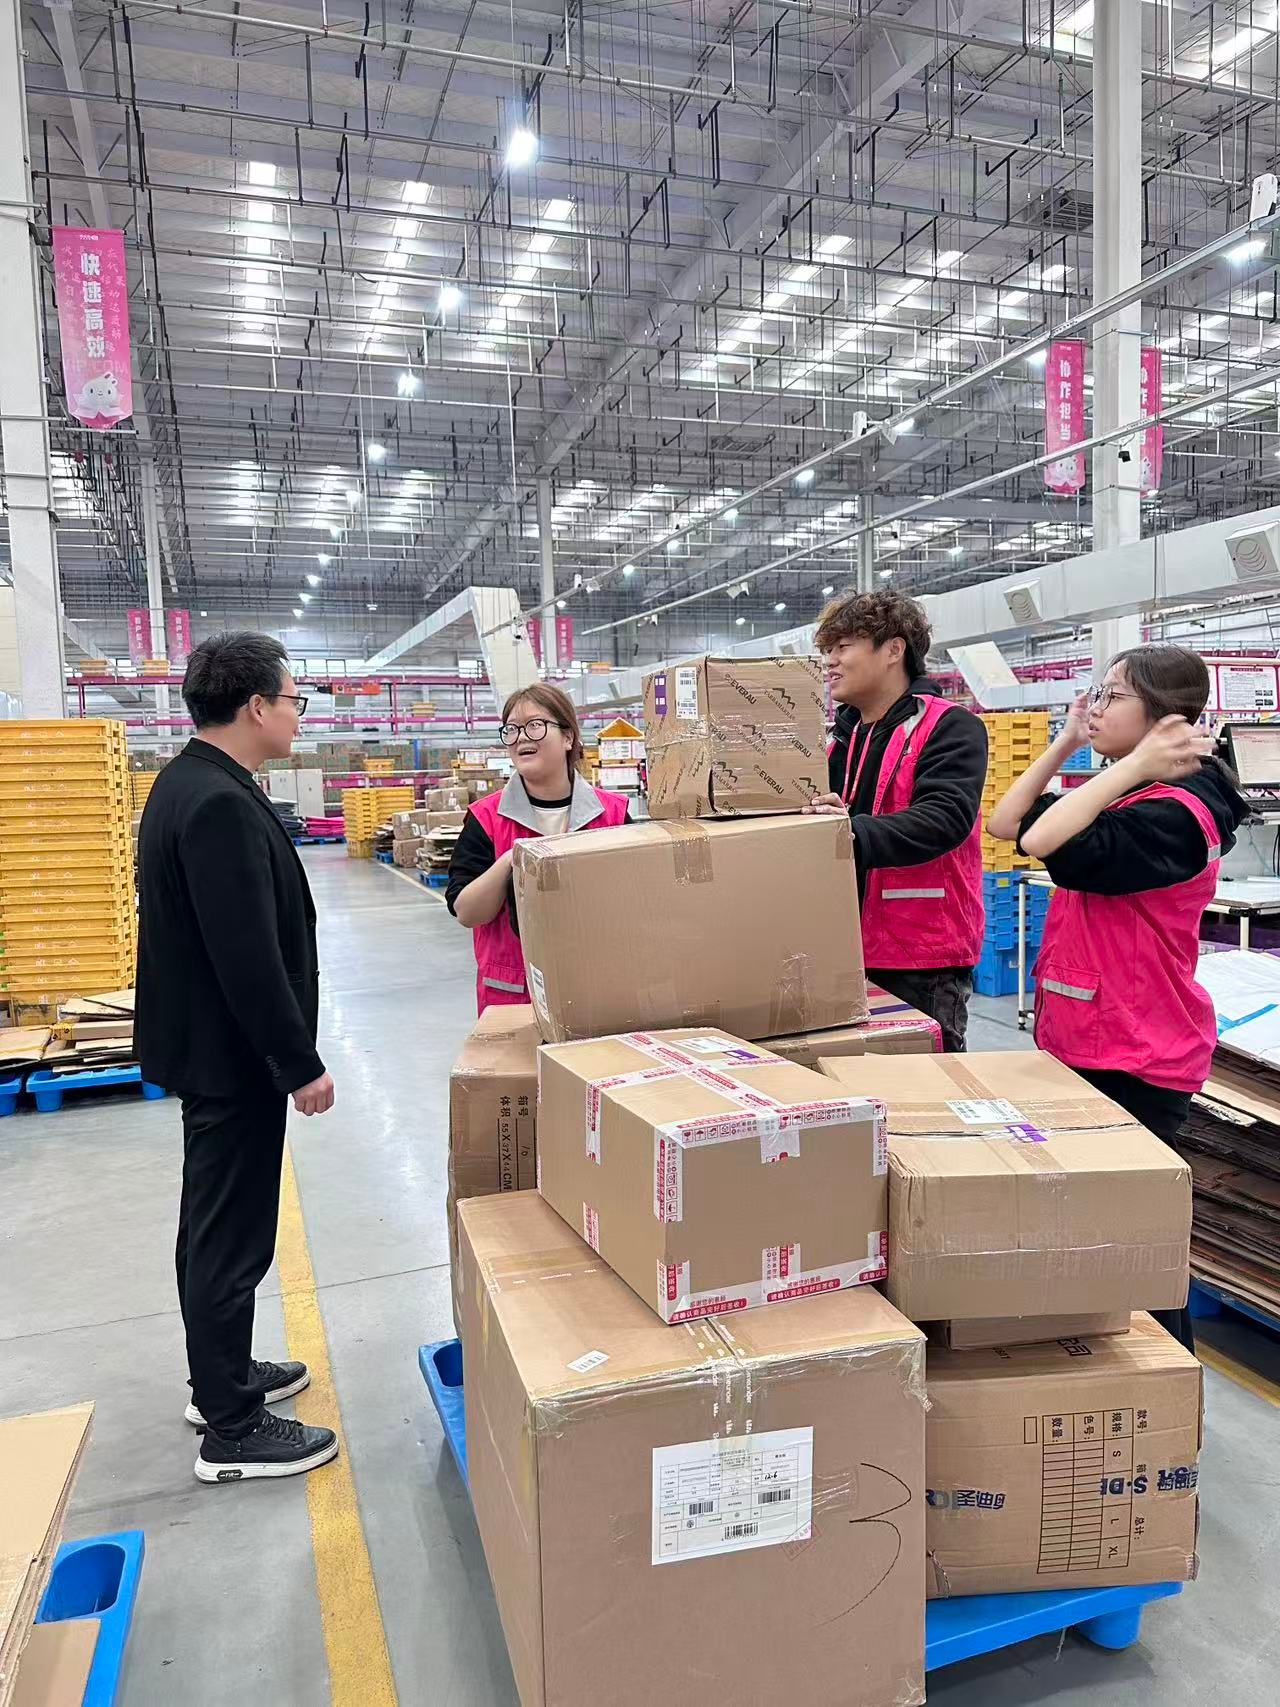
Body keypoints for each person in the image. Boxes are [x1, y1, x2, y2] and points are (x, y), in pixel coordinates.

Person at [987, 644, 1250, 1352]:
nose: (1096, 708)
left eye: (1111, 696)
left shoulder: (1177, 813)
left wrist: (1130, 765)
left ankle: (1166, 1389)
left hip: (1136, 1051)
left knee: (1138, 1248)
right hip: (1094, 1036)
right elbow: (1006, 823)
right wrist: (1068, 740)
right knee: (1099, 1235)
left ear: (1163, 718)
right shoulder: (1133, 795)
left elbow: (1043, 837)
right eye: (1095, 694)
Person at [136, 632, 339, 1484]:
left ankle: (221, 1375)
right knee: (229, 1236)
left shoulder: (192, 782)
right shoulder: (216, 802)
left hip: (212, 1050)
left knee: (214, 1226)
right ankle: (232, 1427)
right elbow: (246, 956)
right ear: (256, 705)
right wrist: (298, 1061)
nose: (298, 714)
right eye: (294, 699)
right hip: (232, 1057)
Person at [805, 589, 988, 1051]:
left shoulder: (950, 726)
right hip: (844, 948)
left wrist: (845, 831)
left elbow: (944, 817)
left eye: (843, 646)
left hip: (920, 955)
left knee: (923, 1083)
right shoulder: (839, 740)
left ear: (893, 650)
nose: (830, 661)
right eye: (828, 650)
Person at [448, 682, 629, 1011]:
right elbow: (467, 912)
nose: (521, 737)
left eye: (535, 725)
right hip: (515, 998)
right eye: (512, 729)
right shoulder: (485, 819)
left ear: (568, 737)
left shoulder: (614, 815)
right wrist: (511, 860)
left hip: (601, 991)